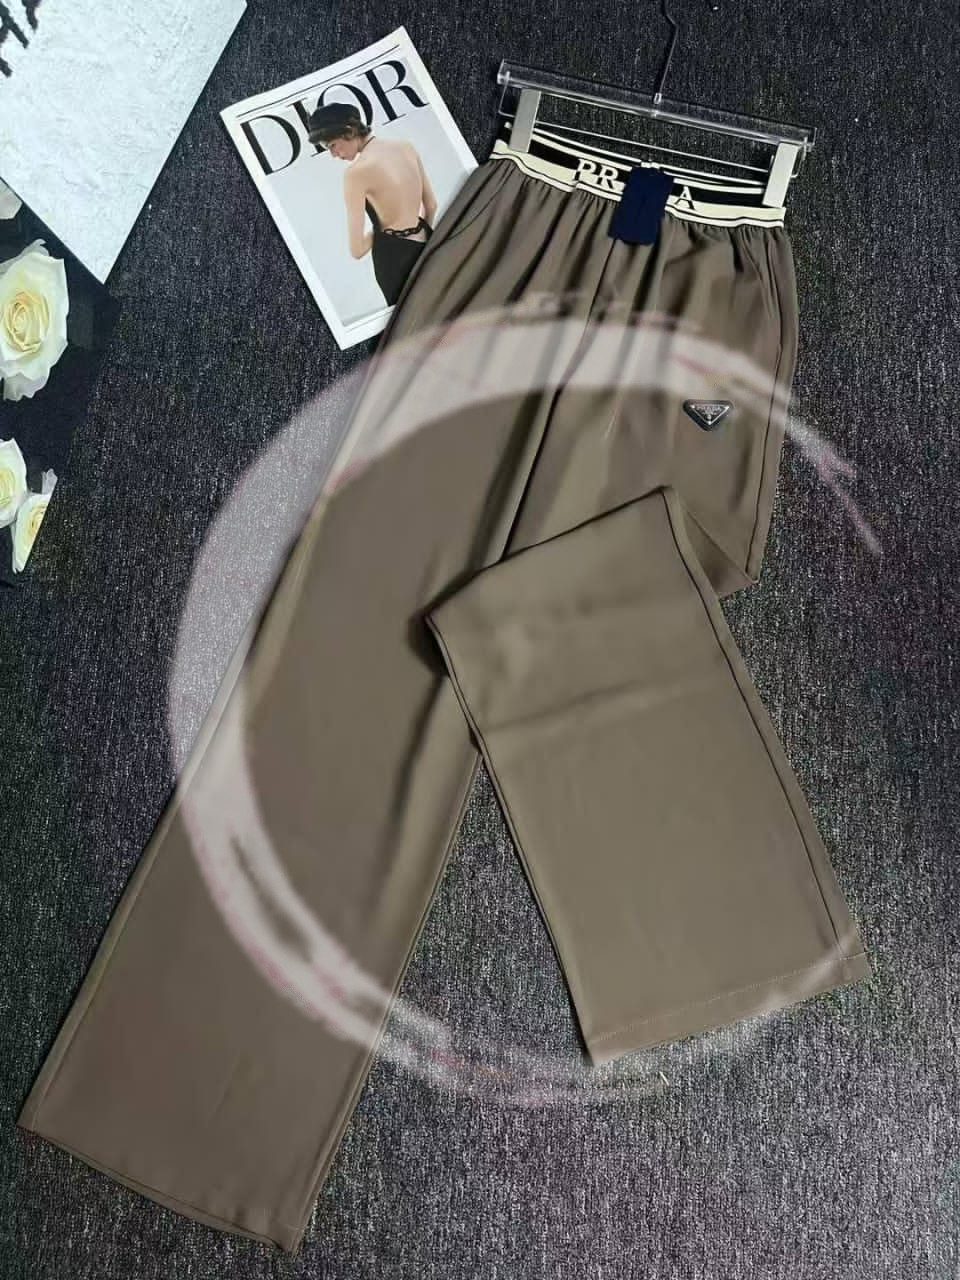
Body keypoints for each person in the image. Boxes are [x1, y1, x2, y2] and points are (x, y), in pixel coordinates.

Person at [307, 102, 437, 306]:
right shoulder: (405, 147)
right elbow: (432, 205)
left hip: (394, 260)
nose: (333, 155)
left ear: (349, 131)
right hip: (429, 243)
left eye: (332, 145)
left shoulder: (355, 173)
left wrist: (385, 229)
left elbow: (357, 250)